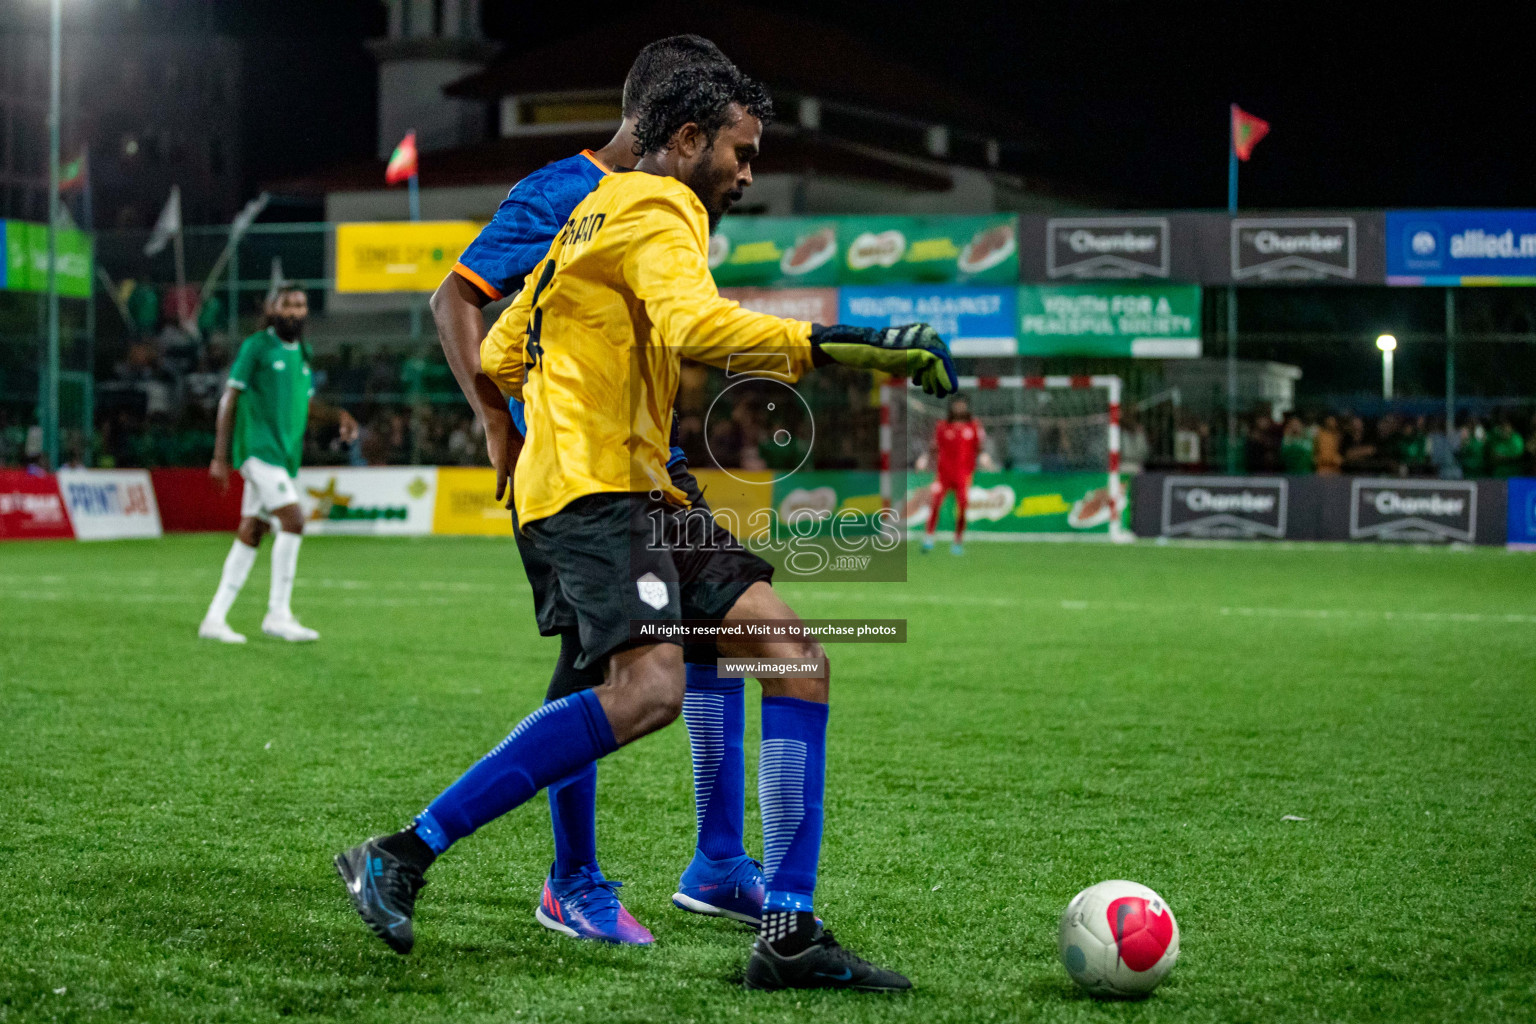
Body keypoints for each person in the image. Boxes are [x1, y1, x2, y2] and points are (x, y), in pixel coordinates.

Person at [336, 60, 955, 991]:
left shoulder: (592, 211)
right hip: (594, 497)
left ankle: (787, 930)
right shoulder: (662, 209)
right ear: (690, 140)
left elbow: (505, 346)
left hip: (636, 486)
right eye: (741, 155)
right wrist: (830, 344)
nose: (747, 175)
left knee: (789, 656)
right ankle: (404, 851)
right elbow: (693, 325)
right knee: (647, 691)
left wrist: (541, 409)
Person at [427, 36, 764, 945]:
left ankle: (720, 863)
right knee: (595, 666)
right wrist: (497, 421)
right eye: (729, 141)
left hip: (653, 457)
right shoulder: (559, 194)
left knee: (725, 625)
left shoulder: (673, 201)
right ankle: (570, 878)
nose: (741, 169)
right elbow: (455, 301)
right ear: (673, 124)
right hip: (578, 473)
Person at [199, 286, 358, 643]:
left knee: (253, 531)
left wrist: (338, 416)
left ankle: (214, 618)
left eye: (301, 305)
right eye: (287, 305)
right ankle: (278, 614)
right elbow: (230, 398)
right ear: (272, 309)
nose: (295, 311)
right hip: (258, 451)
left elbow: (307, 407)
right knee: (293, 519)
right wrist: (220, 457)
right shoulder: (257, 346)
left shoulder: (303, 352)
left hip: (285, 458)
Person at [917, 393, 994, 554]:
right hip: (944, 473)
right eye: (957, 405)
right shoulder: (943, 426)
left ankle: (958, 540)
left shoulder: (973, 426)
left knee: (963, 506)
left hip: (963, 474)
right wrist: (924, 458)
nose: (959, 408)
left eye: (962, 405)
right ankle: (929, 537)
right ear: (952, 407)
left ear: (966, 407)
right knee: (935, 503)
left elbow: (980, 446)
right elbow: (934, 446)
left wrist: (984, 456)